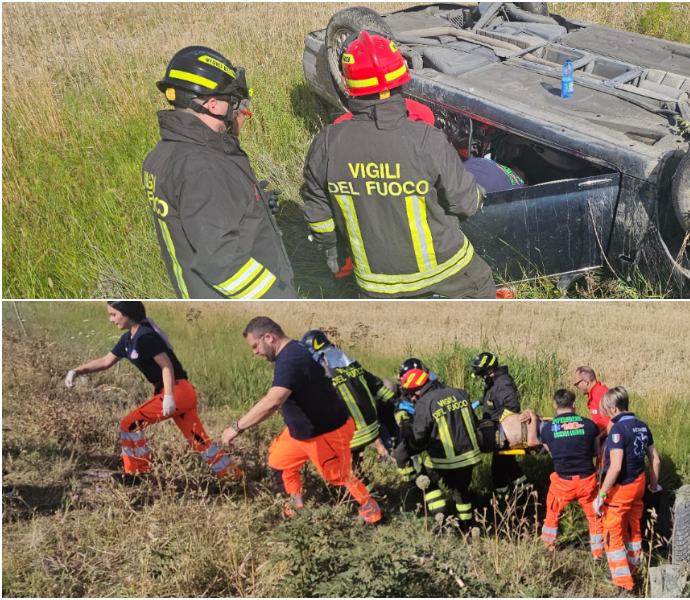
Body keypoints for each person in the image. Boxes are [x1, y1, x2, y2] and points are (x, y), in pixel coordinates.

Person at [302, 31, 496, 299]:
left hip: (376, 285)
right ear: (401, 76)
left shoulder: (326, 143)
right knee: (483, 286)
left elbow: (320, 217)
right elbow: (465, 203)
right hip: (445, 273)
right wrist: (478, 193)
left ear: (347, 85)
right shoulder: (426, 139)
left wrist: (333, 250)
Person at [145, 46, 295, 299]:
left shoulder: (163, 154)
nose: (237, 112)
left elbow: (201, 220)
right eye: (233, 102)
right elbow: (220, 261)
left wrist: (252, 206)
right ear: (213, 105)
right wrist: (278, 298)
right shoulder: (201, 168)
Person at [220, 318, 380, 523]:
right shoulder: (292, 352)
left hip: (325, 431)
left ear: (268, 337)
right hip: (302, 432)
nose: (255, 352)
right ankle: (296, 514)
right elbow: (276, 402)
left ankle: (373, 517)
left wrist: (237, 427)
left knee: (339, 477)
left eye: (255, 346)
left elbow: (273, 400)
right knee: (280, 462)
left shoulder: (291, 358)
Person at [64, 301, 241, 484]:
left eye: (113, 314)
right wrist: (76, 371)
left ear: (127, 313)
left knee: (129, 424)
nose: (111, 319)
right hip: (180, 391)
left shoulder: (145, 336)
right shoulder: (128, 339)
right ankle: (234, 478)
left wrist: (169, 396)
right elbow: (105, 361)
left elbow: (166, 366)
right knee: (199, 441)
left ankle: (136, 475)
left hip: (177, 391)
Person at [299, 329, 395, 489]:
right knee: (354, 469)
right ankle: (370, 495)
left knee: (346, 474)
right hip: (371, 429)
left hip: (352, 435)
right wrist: (396, 402)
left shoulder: (322, 369)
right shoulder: (348, 361)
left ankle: (367, 498)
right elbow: (376, 385)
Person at [593, 387, 661, 595]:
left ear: (614, 408)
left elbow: (615, 467)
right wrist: (653, 486)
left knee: (611, 533)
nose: (605, 414)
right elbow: (655, 460)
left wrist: (601, 494)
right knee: (633, 529)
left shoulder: (618, 431)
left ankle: (624, 585)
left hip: (621, 488)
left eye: (606, 410)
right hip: (639, 484)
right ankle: (633, 570)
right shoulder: (642, 426)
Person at [398, 367, 482, 530]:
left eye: (411, 393)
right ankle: (466, 526)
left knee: (425, 481)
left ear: (418, 388)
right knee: (461, 490)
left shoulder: (425, 402)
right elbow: (474, 422)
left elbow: (419, 436)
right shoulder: (460, 393)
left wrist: (410, 446)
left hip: (444, 459)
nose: (412, 398)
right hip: (470, 456)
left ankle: (440, 518)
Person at [540, 389, 604, 559]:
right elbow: (596, 452)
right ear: (574, 404)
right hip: (587, 481)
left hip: (563, 482)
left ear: (555, 405)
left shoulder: (547, 429)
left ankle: (548, 548)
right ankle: (598, 554)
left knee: (552, 513)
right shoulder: (590, 425)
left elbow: (552, 453)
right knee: (595, 516)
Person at [471, 352, 528, 495]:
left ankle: (502, 499)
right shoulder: (493, 381)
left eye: (482, 373)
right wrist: (478, 402)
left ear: (490, 369)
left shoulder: (502, 382)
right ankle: (526, 493)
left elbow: (513, 406)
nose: (481, 377)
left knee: (498, 471)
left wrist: (502, 427)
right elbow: (492, 397)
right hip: (498, 433)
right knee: (510, 465)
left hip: (502, 435)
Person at [575, 367, 610, 435]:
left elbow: (614, 421)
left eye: (577, 384)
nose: (577, 387)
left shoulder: (600, 394)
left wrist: (599, 438)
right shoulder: (593, 394)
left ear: (585, 382)